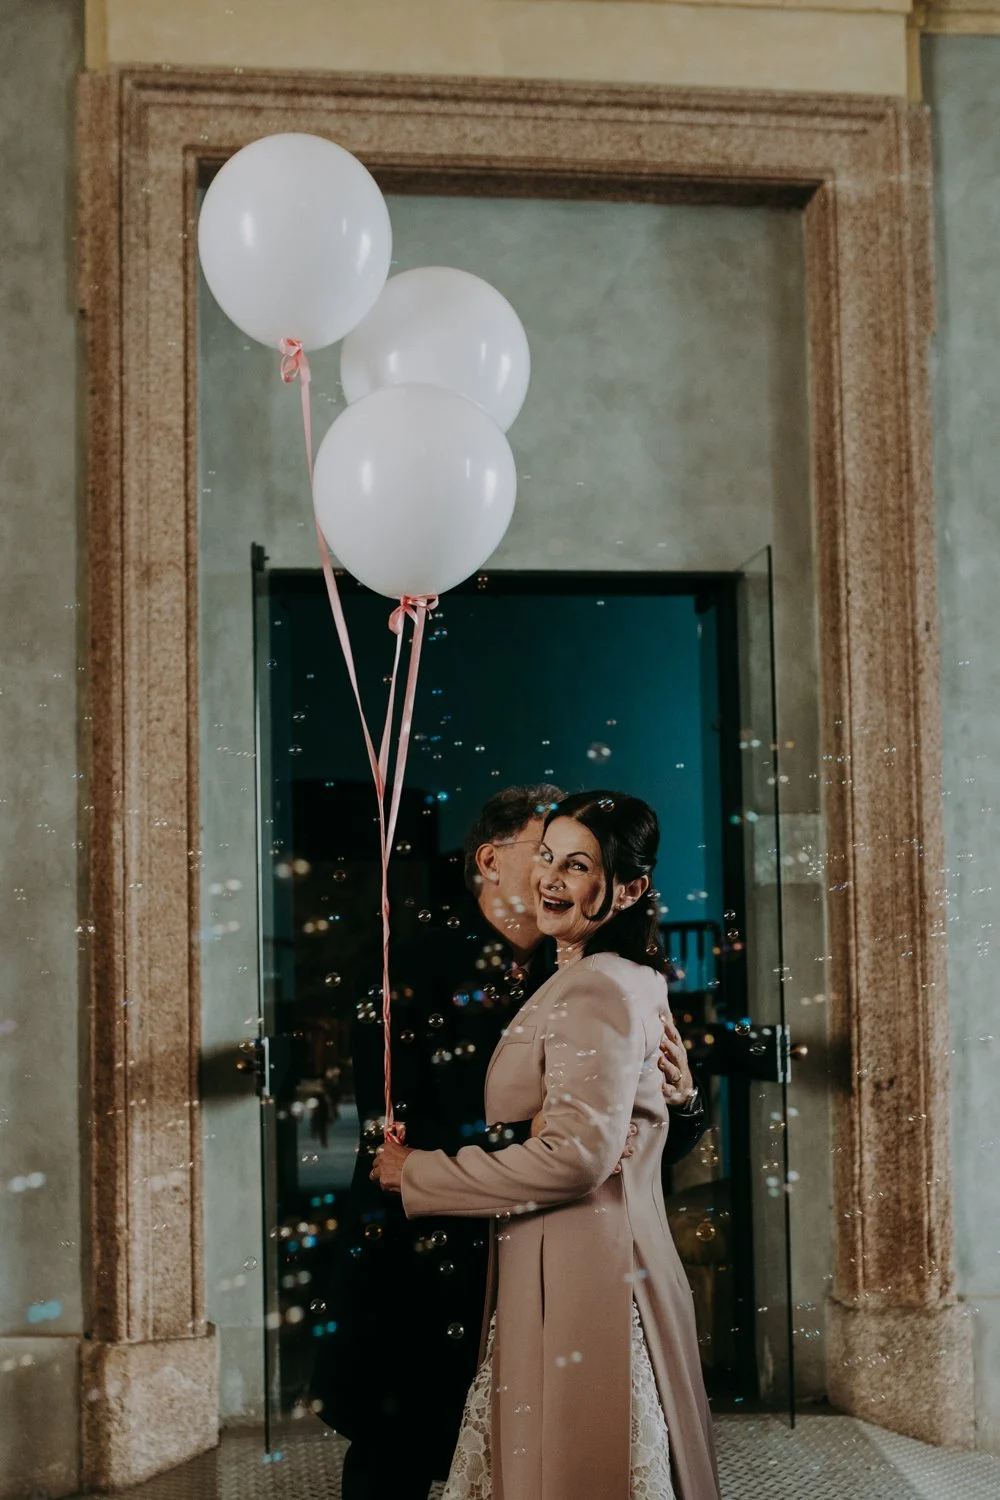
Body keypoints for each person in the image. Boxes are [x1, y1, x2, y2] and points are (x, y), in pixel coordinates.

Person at [315, 786, 708, 1499]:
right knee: (395, 1459)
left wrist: (679, 1103)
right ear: (491, 862)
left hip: (546, 1265)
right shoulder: (411, 971)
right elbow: (400, 1136)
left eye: (576, 861)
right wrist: (568, 1141)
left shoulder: (589, 972)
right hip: (427, 1263)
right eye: (545, 853)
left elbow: (621, 1149)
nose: (554, 875)